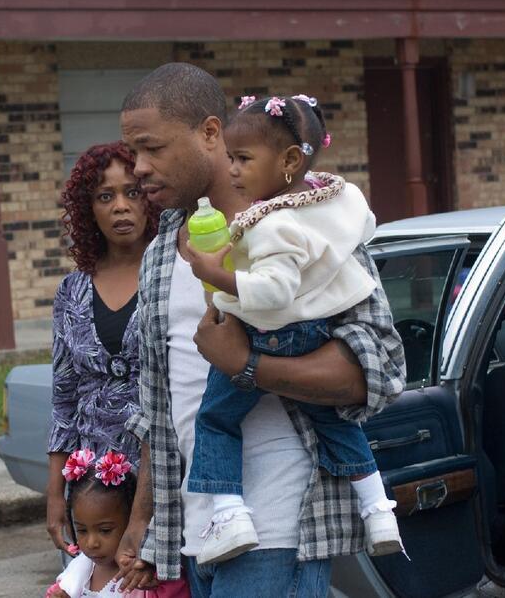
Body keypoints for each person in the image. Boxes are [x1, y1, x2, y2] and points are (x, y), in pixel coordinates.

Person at [116, 62, 406, 597]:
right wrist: (144, 520)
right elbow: (161, 403)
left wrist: (245, 365)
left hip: (278, 527)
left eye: (152, 148)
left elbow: (379, 370)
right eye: (133, 151)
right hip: (197, 529)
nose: (137, 167)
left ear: (210, 133)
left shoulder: (306, 230)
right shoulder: (160, 253)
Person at [184, 94, 402, 566]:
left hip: (271, 335)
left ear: (288, 161)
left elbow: (273, 292)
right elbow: (364, 227)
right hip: (320, 333)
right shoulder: (334, 199)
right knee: (331, 421)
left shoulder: (271, 225)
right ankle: (378, 508)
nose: (234, 171)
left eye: (243, 159)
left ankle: (229, 514)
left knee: (216, 419)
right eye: (230, 160)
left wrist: (214, 271)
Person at [46, 141, 160, 554]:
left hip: (162, 475)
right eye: (104, 196)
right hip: (92, 489)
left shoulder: (173, 273)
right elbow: (63, 399)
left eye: (132, 191)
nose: (121, 207)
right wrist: (57, 494)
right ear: (88, 209)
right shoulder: (71, 290)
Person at [45, 449, 190, 597]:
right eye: (82, 530)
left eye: (105, 530)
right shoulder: (76, 574)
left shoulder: (150, 579)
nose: (91, 543)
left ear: (131, 524)